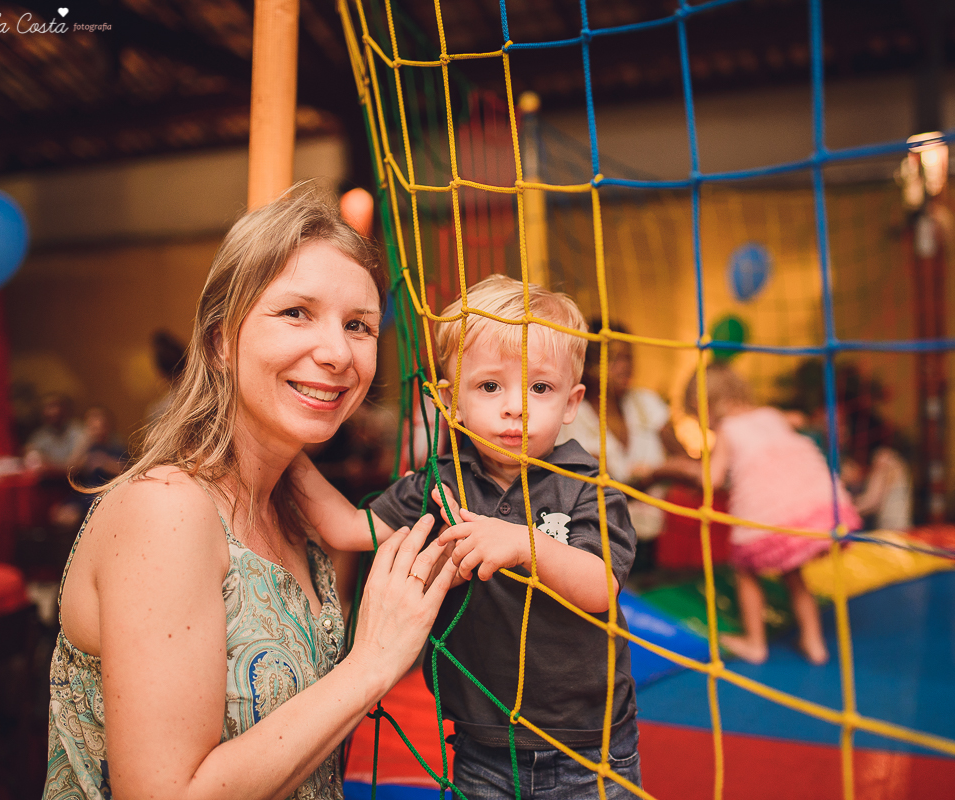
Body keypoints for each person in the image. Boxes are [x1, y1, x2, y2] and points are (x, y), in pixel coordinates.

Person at [42, 186, 458, 800]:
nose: (337, 353)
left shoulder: (291, 501)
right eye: (296, 313)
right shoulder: (167, 510)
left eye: (358, 326)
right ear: (219, 342)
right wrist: (371, 662)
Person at [290, 275, 641, 799]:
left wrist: (522, 544)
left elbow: (600, 587)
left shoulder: (585, 484)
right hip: (480, 745)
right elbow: (346, 528)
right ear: (451, 401)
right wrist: (281, 448)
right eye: (490, 386)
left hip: (587, 747)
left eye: (540, 388)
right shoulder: (440, 481)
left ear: (572, 403)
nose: (515, 407)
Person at [687, 363, 860, 665]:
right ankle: (814, 642)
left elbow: (711, 480)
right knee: (793, 572)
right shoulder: (770, 415)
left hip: (766, 508)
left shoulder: (727, 430)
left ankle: (755, 644)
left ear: (708, 407)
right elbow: (796, 420)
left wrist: (682, 467)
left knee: (744, 569)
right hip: (806, 500)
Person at [557, 319, 671, 550]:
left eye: (629, 357)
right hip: (601, 542)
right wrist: (659, 475)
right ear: (588, 365)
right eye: (616, 358)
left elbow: (683, 455)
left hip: (662, 537)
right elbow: (602, 493)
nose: (626, 366)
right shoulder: (570, 419)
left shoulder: (646, 403)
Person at [24, 393, 85, 473]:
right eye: (47, 407)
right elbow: (32, 460)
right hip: (48, 479)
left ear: (65, 409)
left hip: (74, 479)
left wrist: (49, 464)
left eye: (54, 406)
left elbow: (74, 466)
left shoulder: (78, 431)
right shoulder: (39, 436)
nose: (51, 411)